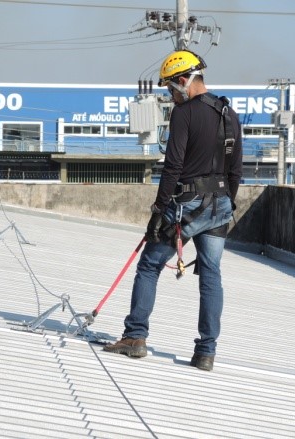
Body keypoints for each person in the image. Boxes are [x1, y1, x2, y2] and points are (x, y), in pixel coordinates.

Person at [103, 50, 243, 371]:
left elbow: (173, 166)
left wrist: (158, 209)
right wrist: (226, 205)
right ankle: (206, 352)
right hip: (220, 204)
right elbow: (235, 169)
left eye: (170, 89)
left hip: (187, 204)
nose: (171, 95)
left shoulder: (185, 114)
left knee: (150, 265)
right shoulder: (229, 114)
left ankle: (135, 336)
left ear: (184, 80)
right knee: (211, 276)